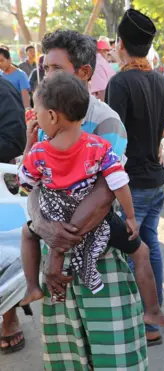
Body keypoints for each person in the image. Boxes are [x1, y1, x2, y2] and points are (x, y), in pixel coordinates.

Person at [18, 73, 164, 336]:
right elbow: (118, 183)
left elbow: (26, 183)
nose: (36, 116)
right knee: (141, 252)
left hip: (54, 219)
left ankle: (33, 286)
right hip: (95, 220)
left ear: (53, 117)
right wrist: (129, 217)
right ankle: (152, 309)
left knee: (27, 233)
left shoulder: (39, 152)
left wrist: (29, 143)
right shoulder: (100, 146)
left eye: (38, 111)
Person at [26, 29, 145, 368]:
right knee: (68, 356)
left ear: (84, 73)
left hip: (97, 253)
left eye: (55, 69)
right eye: (44, 68)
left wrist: (55, 251)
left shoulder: (107, 122)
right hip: (56, 250)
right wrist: (41, 225)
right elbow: (33, 183)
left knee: (114, 355)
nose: (46, 77)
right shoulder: (45, 119)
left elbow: (104, 195)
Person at [107, 8, 164, 346]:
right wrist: (161, 132)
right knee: (151, 246)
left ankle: (141, 323)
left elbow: (115, 139)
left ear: (120, 44)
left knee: (133, 251)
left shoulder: (120, 82)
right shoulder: (160, 79)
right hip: (157, 180)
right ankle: (152, 318)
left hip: (132, 183)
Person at [0, 76, 28, 355]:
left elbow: (14, 139)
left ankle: (9, 316)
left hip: (0, 188)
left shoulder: (2, 89)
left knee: (4, 255)